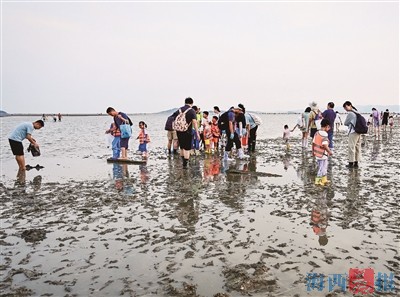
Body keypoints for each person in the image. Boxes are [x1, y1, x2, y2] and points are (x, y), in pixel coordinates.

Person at [172, 97, 200, 168]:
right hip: (187, 131)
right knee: (187, 148)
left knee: (182, 147)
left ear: (185, 102)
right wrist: (197, 133)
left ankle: (182, 161)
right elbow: (194, 122)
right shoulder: (192, 111)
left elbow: (172, 118)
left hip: (179, 130)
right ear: (192, 103)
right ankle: (185, 164)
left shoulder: (179, 109)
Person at [312, 119, 333, 185]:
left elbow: (313, 143)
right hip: (323, 154)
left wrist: (313, 151)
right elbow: (325, 145)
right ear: (326, 126)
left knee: (323, 167)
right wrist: (329, 151)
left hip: (317, 153)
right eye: (329, 127)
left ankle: (324, 180)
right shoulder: (324, 134)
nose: (329, 128)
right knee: (322, 168)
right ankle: (318, 181)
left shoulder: (316, 133)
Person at [343, 101, 362, 169]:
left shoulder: (351, 113)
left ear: (350, 105)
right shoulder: (356, 112)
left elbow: (345, 123)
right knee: (357, 147)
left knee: (351, 147)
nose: (345, 109)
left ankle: (351, 163)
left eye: (345, 107)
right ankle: (356, 162)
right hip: (358, 131)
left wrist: (350, 123)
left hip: (353, 132)